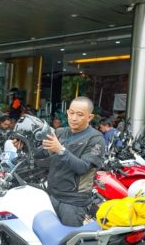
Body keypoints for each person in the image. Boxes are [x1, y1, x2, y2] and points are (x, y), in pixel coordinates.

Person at [33, 96, 105, 227]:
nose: (73, 118)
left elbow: (83, 167)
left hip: (73, 202)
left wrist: (60, 150)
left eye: (79, 114)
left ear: (90, 117)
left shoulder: (96, 139)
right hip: (52, 195)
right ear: (67, 112)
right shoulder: (60, 132)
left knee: (69, 238)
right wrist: (24, 145)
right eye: (71, 113)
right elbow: (41, 153)